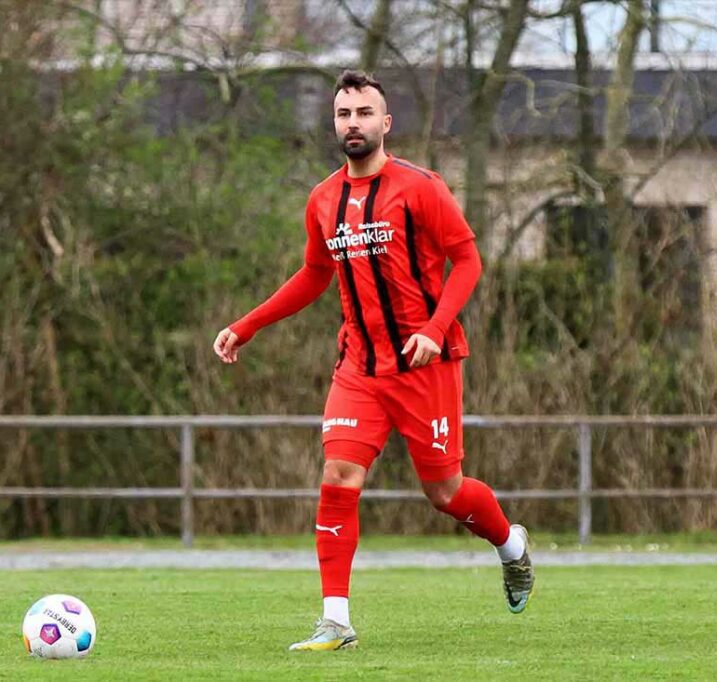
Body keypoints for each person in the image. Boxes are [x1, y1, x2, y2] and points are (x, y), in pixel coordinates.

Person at [213, 70, 535, 651]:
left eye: (364, 113)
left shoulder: (421, 188)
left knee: (445, 494)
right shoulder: (322, 199)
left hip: (424, 364)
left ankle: (510, 545)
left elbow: (467, 261)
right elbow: (314, 274)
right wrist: (248, 324)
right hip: (359, 366)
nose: (353, 123)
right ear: (333, 123)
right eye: (343, 114)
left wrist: (436, 330)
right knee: (338, 476)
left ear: (385, 123)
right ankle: (336, 620)